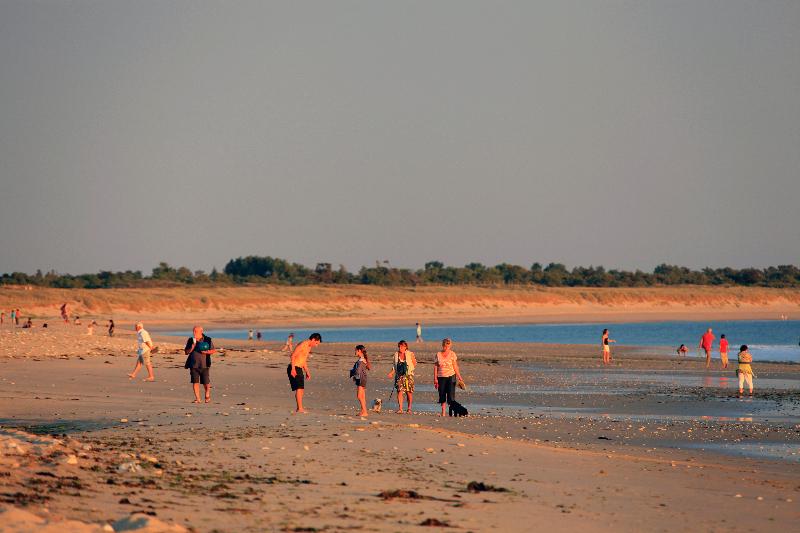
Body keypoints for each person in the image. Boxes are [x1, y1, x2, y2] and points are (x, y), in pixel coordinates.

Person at [287, 333, 322, 413]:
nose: (316, 346)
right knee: (299, 388)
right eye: (316, 343)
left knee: (301, 389)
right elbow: (293, 355)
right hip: (294, 367)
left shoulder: (309, 347)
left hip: (299, 368)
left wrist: (307, 371)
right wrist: (293, 369)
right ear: (313, 339)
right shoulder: (303, 344)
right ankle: (300, 408)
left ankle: (299, 408)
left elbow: (303, 360)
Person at [184, 326, 216, 403]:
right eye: (193, 331)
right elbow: (186, 352)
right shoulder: (191, 340)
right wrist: (192, 347)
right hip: (193, 365)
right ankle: (198, 398)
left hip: (204, 365)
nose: (194, 333)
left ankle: (207, 394)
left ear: (201, 332)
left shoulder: (207, 339)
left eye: (196, 331)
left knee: (206, 382)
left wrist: (206, 352)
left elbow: (213, 350)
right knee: (195, 382)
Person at [434, 338, 463, 417]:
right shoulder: (438, 354)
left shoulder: (452, 354)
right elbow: (436, 367)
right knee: (442, 394)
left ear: (450, 346)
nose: (446, 348)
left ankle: (452, 411)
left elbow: (455, 366)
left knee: (451, 396)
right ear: (443, 345)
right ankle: (443, 412)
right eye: (445, 346)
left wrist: (459, 376)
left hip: (451, 376)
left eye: (448, 346)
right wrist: (435, 378)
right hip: (441, 377)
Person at [387, 340, 417, 413]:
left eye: (402, 346)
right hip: (399, 375)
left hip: (408, 375)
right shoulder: (396, 355)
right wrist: (391, 373)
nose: (401, 348)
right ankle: (400, 409)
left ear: (405, 347)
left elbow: (414, 363)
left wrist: (409, 370)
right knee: (399, 391)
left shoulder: (410, 354)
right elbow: (394, 366)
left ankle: (409, 408)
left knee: (409, 392)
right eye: (400, 346)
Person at [351, 345, 371, 416]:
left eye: (355, 350)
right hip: (362, 378)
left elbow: (358, 371)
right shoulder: (362, 359)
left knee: (359, 396)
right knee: (362, 396)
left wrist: (355, 377)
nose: (355, 352)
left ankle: (365, 411)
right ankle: (363, 410)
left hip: (360, 378)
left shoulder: (361, 360)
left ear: (359, 350)